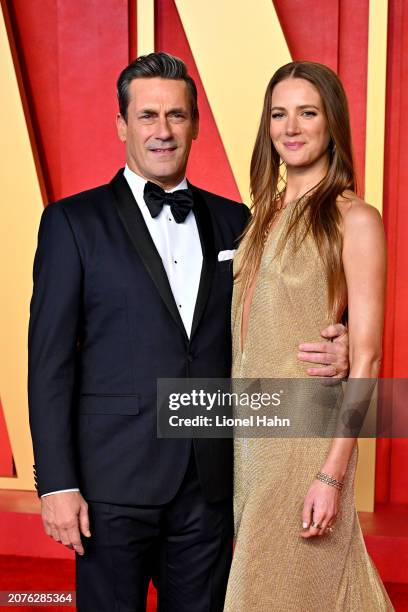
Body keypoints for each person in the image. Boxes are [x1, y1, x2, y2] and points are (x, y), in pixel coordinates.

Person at [28, 53, 348, 612]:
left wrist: (336, 342)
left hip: (209, 483)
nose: (162, 131)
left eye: (176, 116)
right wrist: (57, 483)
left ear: (196, 125)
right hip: (111, 485)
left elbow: (270, 319)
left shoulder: (238, 222)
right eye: (147, 116)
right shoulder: (71, 222)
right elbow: (49, 363)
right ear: (122, 125)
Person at [224, 61, 393, 611]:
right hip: (248, 440)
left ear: (332, 124)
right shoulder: (261, 217)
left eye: (307, 112)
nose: (290, 127)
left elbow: (366, 360)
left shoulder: (355, 219)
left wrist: (332, 474)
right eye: (279, 113)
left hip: (305, 442)